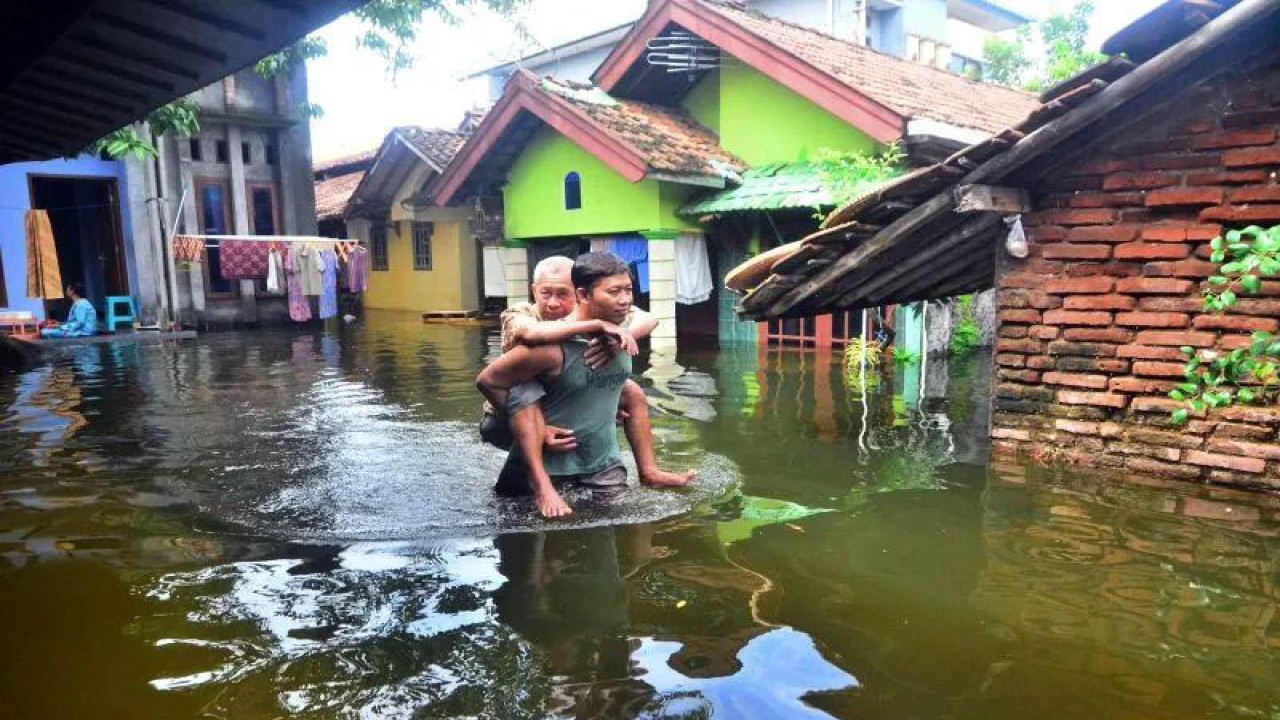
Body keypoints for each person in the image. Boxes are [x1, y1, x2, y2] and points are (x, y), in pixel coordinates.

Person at [477, 252, 693, 519]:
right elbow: (504, 364)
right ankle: (542, 484)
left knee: (632, 390)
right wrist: (598, 324)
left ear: (574, 293)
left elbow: (649, 318)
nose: (553, 303)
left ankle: (649, 471)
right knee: (525, 391)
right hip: (503, 413)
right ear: (584, 294)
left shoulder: (616, 320)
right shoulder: (526, 319)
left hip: (575, 401)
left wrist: (618, 338)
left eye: (627, 290)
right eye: (546, 294)